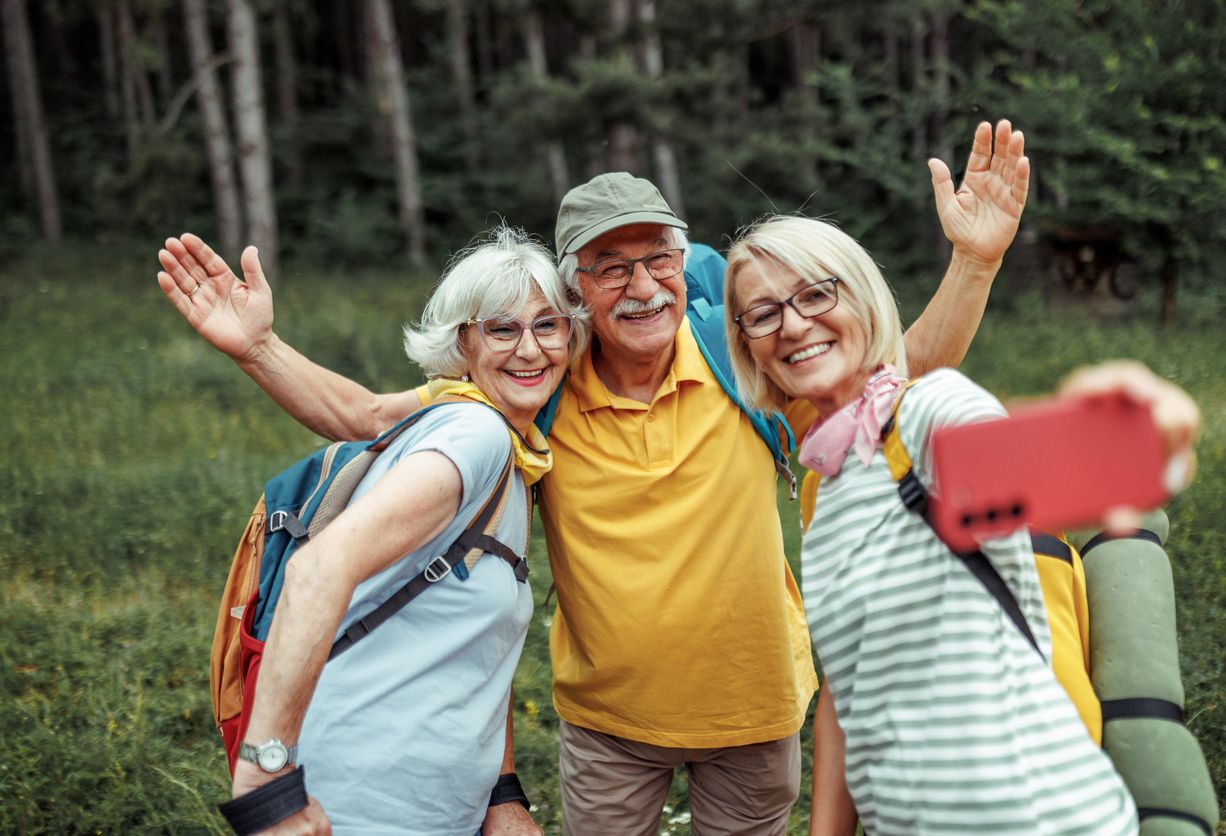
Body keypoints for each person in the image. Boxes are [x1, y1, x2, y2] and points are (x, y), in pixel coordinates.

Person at [157, 120, 1030, 833]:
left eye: (656, 260)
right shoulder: (532, 390)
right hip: (607, 731)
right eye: (611, 267)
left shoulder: (741, 360)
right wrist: (259, 347)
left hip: (756, 713)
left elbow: (891, 376)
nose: (641, 285)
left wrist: (975, 261)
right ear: (578, 289)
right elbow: (364, 416)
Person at [723, 214, 1199, 834]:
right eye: (762, 313)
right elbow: (846, 696)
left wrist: (1125, 432)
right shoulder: (825, 491)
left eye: (816, 293)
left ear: (863, 298)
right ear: (747, 343)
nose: (792, 324)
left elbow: (1049, 469)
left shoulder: (927, 410)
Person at [158, 227, 586, 834]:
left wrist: (501, 795)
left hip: (426, 808)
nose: (529, 349)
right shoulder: (476, 434)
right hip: (367, 806)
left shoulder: (502, 445)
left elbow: (362, 414)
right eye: (501, 328)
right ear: (462, 343)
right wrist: (266, 780)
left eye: (548, 326)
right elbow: (320, 567)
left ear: (571, 336)